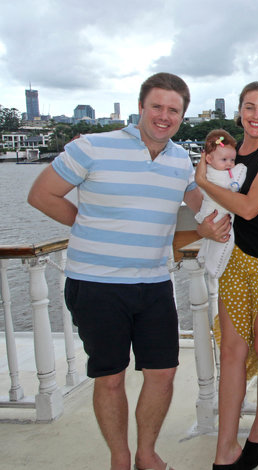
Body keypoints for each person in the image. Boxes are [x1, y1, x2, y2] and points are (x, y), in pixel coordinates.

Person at [27, 72, 211, 470]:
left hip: (155, 284)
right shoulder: (93, 146)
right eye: (157, 106)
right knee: (110, 377)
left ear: (182, 117)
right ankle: (120, 458)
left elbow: (204, 209)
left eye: (173, 110)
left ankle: (146, 454)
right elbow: (41, 194)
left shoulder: (181, 160)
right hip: (97, 284)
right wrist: (87, 224)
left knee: (163, 374)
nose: (164, 116)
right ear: (141, 107)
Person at [195, 81, 258, 470]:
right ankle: (225, 446)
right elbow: (203, 200)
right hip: (234, 259)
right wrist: (203, 221)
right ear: (239, 112)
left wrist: (203, 180)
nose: (256, 115)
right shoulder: (228, 153)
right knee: (231, 351)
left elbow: (250, 207)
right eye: (250, 107)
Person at [194, 129, 247, 278]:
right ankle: (215, 269)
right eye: (224, 160)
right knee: (225, 241)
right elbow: (233, 185)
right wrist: (241, 168)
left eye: (232, 160)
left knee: (211, 242)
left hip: (210, 211)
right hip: (218, 214)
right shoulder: (216, 175)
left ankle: (203, 257)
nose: (229, 164)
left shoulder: (207, 172)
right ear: (209, 159)